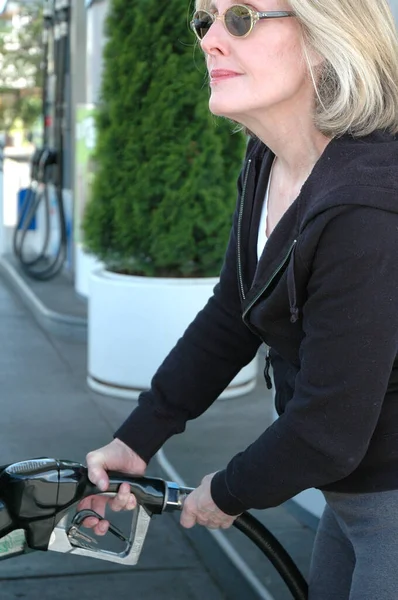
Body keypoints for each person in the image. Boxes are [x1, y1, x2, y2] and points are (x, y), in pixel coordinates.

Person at [81, 1, 398, 598]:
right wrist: (137, 437)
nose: (210, 41)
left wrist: (227, 492)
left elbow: (327, 431)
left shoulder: (367, 206)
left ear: (327, 36)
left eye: (243, 19)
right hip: (352, 498)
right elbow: (234, 313)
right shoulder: (269, 158)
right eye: (206, 19)